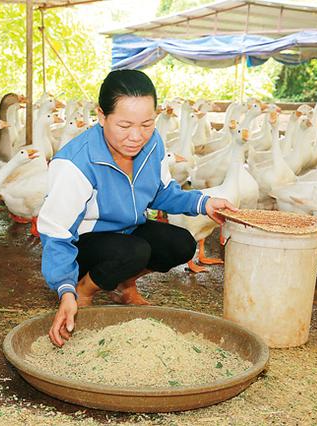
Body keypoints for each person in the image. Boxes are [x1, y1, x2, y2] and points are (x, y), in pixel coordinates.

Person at [37, 69, 237, 347]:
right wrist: (65, 290)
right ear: (101, 116)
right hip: (84, 243)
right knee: (134, 251)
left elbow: (162, 192)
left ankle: (122, 284)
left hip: (127, 231)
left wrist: (204, 203)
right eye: (124, 125)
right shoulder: (76, 162)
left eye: (146, 124)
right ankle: (84, 289)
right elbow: (56, 233)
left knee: (181, 244)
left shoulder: (152, 144)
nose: (137, 136)